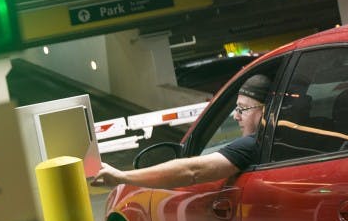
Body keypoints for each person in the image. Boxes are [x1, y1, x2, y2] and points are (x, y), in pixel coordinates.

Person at [91, 74, 272, 189]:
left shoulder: (252, 144)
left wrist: (122, 177)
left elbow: (192, 171)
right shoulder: (279, 139)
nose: (236, 116)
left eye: (243, 109)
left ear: (266, 110)